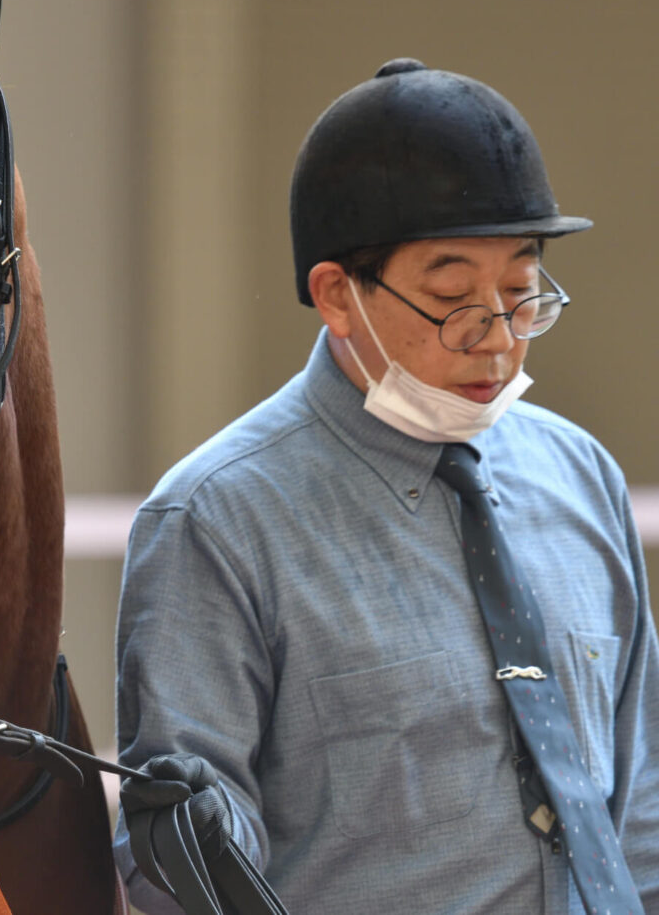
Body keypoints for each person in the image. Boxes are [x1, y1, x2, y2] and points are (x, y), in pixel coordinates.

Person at [114, 59, 659, 914]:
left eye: (521, 294)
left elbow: (642, 792)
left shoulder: (581, 475)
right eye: (454, 301)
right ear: (337, 295)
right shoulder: (219, 518)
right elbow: (184, 874)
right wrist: (183, 834)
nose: (500, 343)